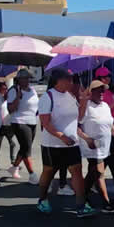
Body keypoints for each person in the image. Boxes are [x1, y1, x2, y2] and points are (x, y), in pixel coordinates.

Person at [35, 68, 95, 217]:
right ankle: (42, 199)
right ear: (58, 80)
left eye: (72, 78)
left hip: (72, 144)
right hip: (52, 144)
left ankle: (81, 205)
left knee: (77, 171)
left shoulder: (71, 96)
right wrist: (61, 136)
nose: (71, 82)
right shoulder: (48, 97)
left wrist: (84, 101)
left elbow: (79, 118)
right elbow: (46, 123)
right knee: (49, 171)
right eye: (68, 79)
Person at [79, 79, 114, 210]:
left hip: (104, 146)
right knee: (98, 172)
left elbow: (110, 122)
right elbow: (77, 124)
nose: (102, 92)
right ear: (91, 92)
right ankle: (106, 202)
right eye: (99, 90)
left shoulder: (105, 106)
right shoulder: (86, 106)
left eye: (103, 89)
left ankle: (82, 195)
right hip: (92, 146)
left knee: (94, 173)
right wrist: (87, 139)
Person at [96, 67, 114, 193]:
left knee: (108, 156)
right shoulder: (99, 93)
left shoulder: (111, 91)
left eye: (109, 76)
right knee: (112, 155)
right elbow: (102, 108)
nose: (107, 78)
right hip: (106, 126)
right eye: (104, 77)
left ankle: (94, 180)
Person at [6, 69, 40, 183]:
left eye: (27, 78)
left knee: (25, 147)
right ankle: (32, 174)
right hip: (19, 121)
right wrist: (18, 97)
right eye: (23, 78)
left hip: (32, 121)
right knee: (27, 148)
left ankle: (14, 167)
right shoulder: (14, 90)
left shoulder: (32, 90)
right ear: (18, 79)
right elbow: (10, 109)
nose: (26, 80)